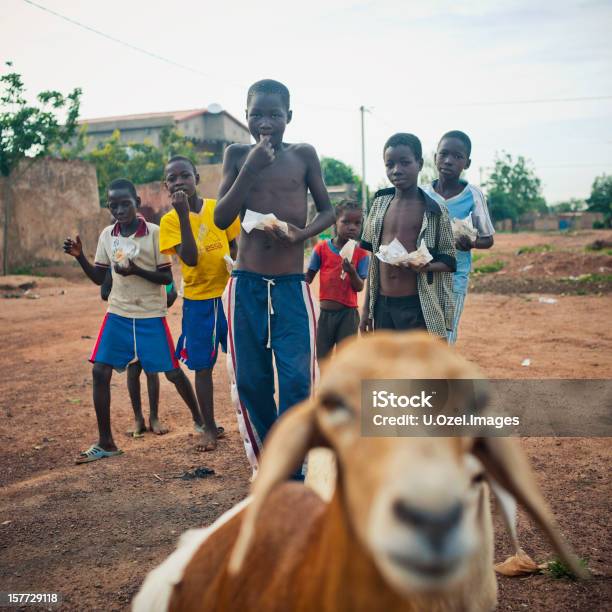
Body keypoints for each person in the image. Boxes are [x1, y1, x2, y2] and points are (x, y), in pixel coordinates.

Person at [214, 79, 334, 477]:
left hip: (289, 286)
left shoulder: (303, 155)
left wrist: (301, 234)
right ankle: (273, 468)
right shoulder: (236, 155)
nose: (265, 122)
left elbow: (327, 211)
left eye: (274, 114)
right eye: (256, 114)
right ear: (246, 116)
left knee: (298, 381)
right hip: (246, 284)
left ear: (290, 117)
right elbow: (221, 218)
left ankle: (292, 463)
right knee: (251, 381)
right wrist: (249, 169)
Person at [63, 179, 207, 464]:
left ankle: (202, 421)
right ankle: (106, 441)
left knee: (173, 372)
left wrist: (135, 271)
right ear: (108, 207)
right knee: (100, 372)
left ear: (136, 203)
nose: (119, 209)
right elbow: (100, 278)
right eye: (113, 205)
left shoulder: (153, 234)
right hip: (118, 313)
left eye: (125, 203)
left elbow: (166, 277)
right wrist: (81, 258)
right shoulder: (108, 235)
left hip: (149, 315)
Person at [159, 156, 240, 452]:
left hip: (228, 295)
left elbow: (235, 246)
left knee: (242, 359)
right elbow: (190, 259)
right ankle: (208, 426)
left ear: (196, 178)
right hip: (198, 302)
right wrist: (182, 216)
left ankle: (253, 420)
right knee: (202, 366)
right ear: (165, 185)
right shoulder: (169, 221)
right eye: (173, 178)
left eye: (185, 176)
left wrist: (236, 265)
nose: (180, 182)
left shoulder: (219, 209)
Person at [360, 133, 456, 339]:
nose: (396, 170)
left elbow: (449, 260)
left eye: (405, 163)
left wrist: (426, 266)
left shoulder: (435, 210)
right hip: (383, 305)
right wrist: (367, 309)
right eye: (390, 164)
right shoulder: (379, 205)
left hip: (417, 306)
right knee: (386, 368)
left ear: (419, 164)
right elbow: (373, 263)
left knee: (417, 368)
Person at [421, 130, 495, 344]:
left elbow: (487, 238)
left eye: (457, 156)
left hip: (454, 278)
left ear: (467, 163)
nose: (448, 161)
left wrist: (470, 243)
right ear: (435, 157)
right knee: (421, 340)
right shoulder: (421, 193)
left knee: (444, 340)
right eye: (443, 154)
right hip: (423, 275)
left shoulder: (473, 195)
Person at [100, 268, 177, 436]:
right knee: (133, 370)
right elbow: (104, 292)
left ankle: (154, 418)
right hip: (127, 319)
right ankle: (138, 419)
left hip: (149, 318)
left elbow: (172, 292)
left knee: (151, 370)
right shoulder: (117, 258)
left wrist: (156, 296)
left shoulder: (155, 259)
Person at [306, 199, 370, 360]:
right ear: (335, 222)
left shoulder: (361, 254)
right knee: (322, 357)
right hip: (325, 315)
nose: (352, 227)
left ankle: (344, 386)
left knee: (346, 359)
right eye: (346, 222)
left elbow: (359, 287)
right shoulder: (321, 248)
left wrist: (351, 272)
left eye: (357, 223)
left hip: (348, 316)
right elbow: (308, 278)